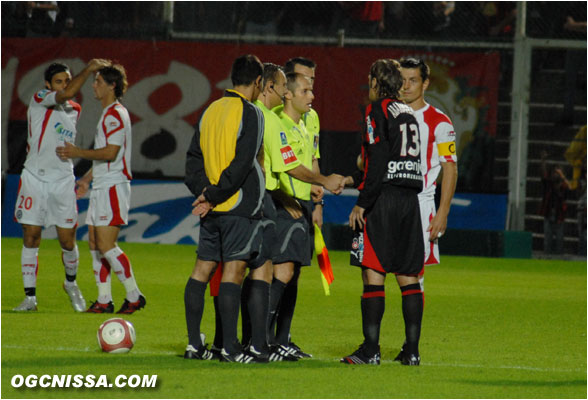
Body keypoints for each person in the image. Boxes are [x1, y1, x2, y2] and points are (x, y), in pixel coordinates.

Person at [183, 54, 267, 363]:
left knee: (201, 270)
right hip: (236, 206)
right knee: (234, 271)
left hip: (211, 208)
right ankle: (230, 348)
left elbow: (192, 160)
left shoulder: (210, 110)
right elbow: (243, 164)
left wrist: (203, 193)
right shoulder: (252, 113)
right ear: (258, 82)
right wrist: (216, 194)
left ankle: (194, 344)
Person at [340, 59, 424, 366]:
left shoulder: (375, 111)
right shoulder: (408, 113)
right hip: (409, 201)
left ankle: (370, 350)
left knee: (372, 272)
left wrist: (362, 202)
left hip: (384, 201)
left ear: (378, 82)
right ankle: (412, 351)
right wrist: (351, 178)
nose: (368, 82)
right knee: (407, 275)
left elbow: (376, 161)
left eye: (371, 77)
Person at [13, 59, 109, 312]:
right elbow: (64, 94)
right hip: (34, 177)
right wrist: (88, 70)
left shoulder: (74, 108)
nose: (65, 86)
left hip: (62, 180)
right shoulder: (40, 97)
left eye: (67, 80)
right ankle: (30, 298)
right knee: (31, 236)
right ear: (48, 84)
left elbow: (68, 99)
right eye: (59, 81)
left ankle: (71, 283)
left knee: (67, 241)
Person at [57, 62, 146, 314]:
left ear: (112, 86)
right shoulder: (109, 113)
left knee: (107, 245)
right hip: (102, 185)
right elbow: (105, 156)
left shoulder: (116, 114)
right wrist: (86, 178)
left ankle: (133, 294)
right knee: (95, 244)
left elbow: (111, 152)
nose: (93, 85)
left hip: (113, 187)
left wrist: (77, 152)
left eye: (98, 81)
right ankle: (104, 300)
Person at [397, 57, 458, 360]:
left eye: (412, 80)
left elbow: (450, 167)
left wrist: (443, 211)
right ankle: (371, 345)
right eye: (402, 79)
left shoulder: (440, 122)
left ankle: (411, 348)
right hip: (387, 205)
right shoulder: (389, 114)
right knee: (374, 272)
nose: (406, 86)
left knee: (414, 276)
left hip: (420, 206)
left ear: (425, 84)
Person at [538, 151, 570, 255]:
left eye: (558, 172)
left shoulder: (563, 185)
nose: (555, 174)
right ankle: (547, 257)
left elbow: (569, 187)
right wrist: (543, 161)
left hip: (559, 215)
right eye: (554, 172)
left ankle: (559, 258)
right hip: (549, 213)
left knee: (560, 238)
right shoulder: (549, 184)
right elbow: (543, 174)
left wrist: (562, 176)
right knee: (548, 238)